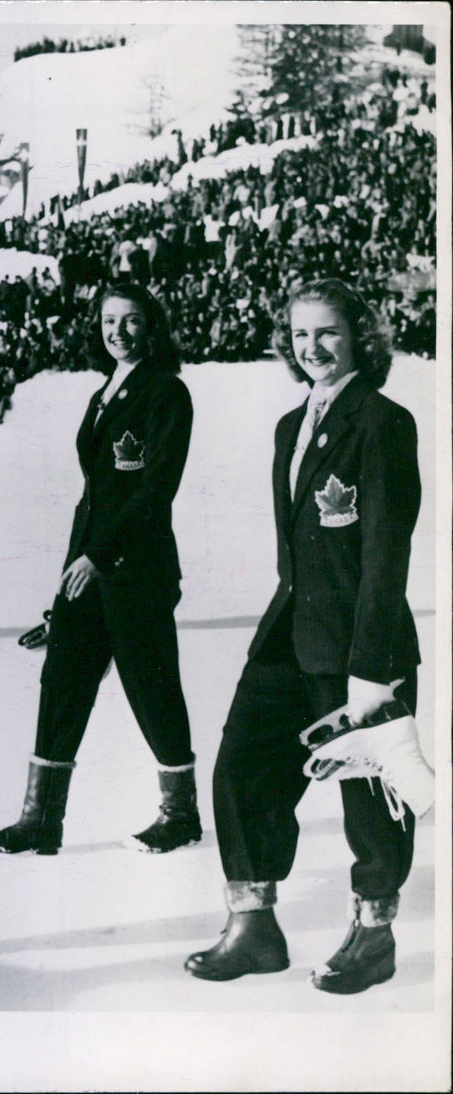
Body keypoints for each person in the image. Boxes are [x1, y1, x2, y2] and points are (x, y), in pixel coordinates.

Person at [184, 278, 423, 995]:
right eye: (298, 335)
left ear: (360, 338)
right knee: (241, 768)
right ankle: (254, 927)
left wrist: (372, 669)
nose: (311, 347)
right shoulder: (293, 426)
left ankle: (373, 937)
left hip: (359, 647)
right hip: (289, 631)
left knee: (367, 796)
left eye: (327, 333)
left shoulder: (382, 421)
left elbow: (387, 552)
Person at [0, 281, 201, 856]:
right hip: (86, 568)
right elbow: (96, 496)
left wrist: (100, 557)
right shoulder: (103, 393)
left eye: (131, 321)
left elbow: (155, 492)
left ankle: (181, 813)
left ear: (151, 327)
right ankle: (39, 821)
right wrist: (64, 593)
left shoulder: (166, 393)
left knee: (151, 688)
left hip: (136, 570)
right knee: (61, 682)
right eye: (109, 321)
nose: (118, 332)